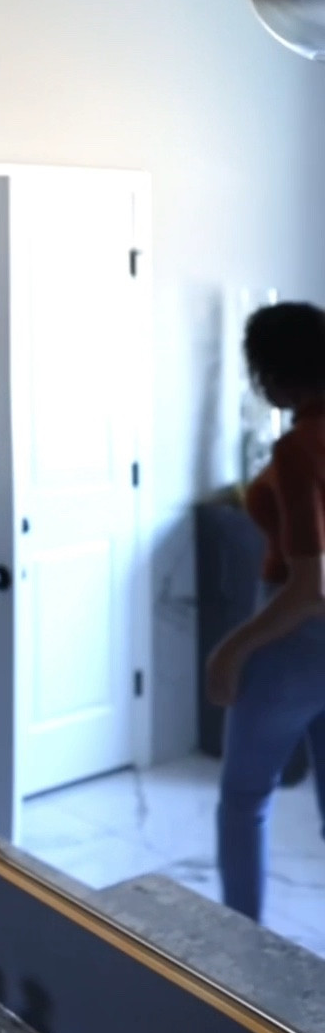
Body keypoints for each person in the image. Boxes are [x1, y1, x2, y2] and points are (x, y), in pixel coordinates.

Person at [206, 301, 325, 921]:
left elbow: (309, 588)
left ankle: (240, 947)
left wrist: (230, 650)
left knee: (244, 800)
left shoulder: (300, 449)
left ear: (273, 376)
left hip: (296, 640)